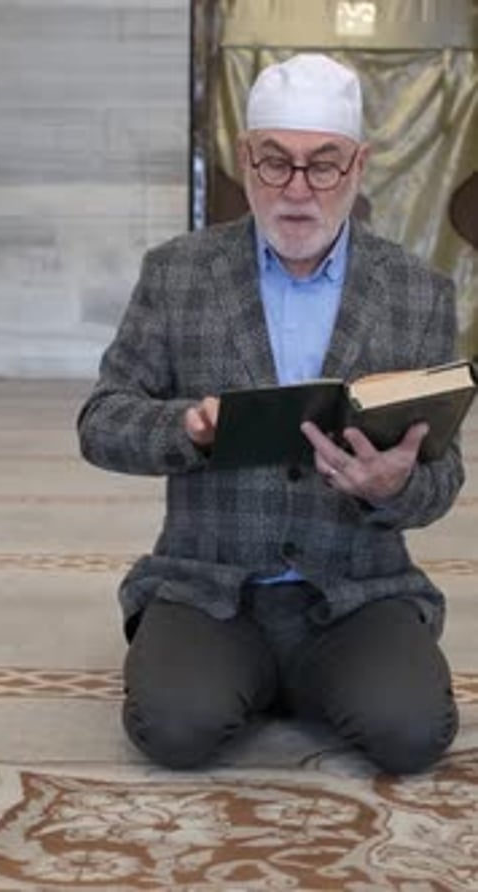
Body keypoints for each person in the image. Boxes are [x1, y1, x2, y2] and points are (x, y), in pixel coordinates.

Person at [77, 53, 463, 775]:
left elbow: (442, 480)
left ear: (359, 164)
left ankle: (302, 679)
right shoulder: (177, 272)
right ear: (246, 159)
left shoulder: (420, 294)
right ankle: (237, 676)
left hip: (356, 591)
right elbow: (101, 421)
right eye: (274, 163)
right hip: (209, 584)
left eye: (323, 165)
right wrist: (187, 430)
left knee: (414, 735)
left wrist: (393, 487)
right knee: (174, 730)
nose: (296, 190)